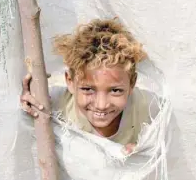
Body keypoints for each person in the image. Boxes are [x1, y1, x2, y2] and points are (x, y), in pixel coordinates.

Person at [20, 18, 154, 155]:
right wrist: (27, 101)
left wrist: (143, 150)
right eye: (88, 89)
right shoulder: (55, 103)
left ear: (132, 83)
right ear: (70, 82)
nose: (101, 105)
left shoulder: (149, 108)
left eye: (115, 90)